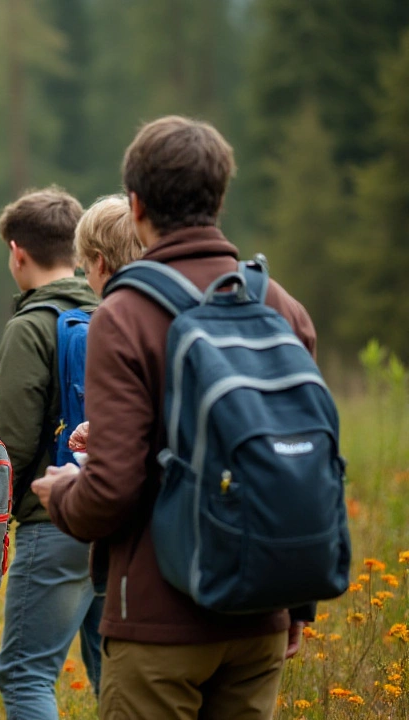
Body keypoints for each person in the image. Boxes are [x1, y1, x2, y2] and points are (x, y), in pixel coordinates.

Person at [32, 116, 317, 719]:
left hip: (159, 622)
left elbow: (112, 491)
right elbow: (298, 462)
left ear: (135, 206)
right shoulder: (278, 305)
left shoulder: (127, 313)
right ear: (219, 196)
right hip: (262, 610)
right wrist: (297, 606)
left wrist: (63, 493)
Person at [0, 186, 105, 719]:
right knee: (117, 677)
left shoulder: (30, 327)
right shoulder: (114, 314)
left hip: (52, 521)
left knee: (25, 674)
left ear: (18, 252)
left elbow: (9, 443)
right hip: (115, 518)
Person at [66, 194, 149, 450]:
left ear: (100, 263)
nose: (88, 282)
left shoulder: (112, 321)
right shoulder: (164, 308)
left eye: (87, 270)